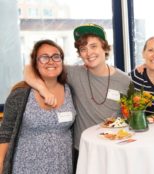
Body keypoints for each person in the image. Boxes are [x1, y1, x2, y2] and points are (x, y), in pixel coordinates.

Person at [24, 24, 131, 164]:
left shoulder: (125, 81)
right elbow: (30, 68)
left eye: (93, 46)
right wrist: (43, 90)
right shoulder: (74, 74)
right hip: (82, 151)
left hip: (113, 149)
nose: (89, 53)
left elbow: (131, 115)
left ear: (104, 47)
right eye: (83, 49)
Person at [0, 39, 76, 174]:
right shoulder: (20, 94)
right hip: (26, 168)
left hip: (62, 167)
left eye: (56, 56)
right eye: (44, 57)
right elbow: (5, 133)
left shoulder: (70, 90)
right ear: (35, 63)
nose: (51, 61)